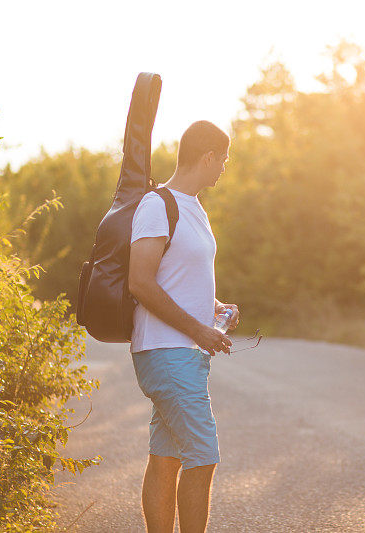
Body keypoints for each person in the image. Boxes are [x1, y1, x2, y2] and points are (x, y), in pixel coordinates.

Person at [128, 120, 239, 533]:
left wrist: (214, 307)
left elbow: (175, 277)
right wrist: (198, 329)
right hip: (166, 351)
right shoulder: (157, 205)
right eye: (223, 160)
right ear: (208, 157)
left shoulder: (194, 207)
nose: (224, 168)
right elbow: (139, 281)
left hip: (182, 354)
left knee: (166, 456)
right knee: (203, 455)